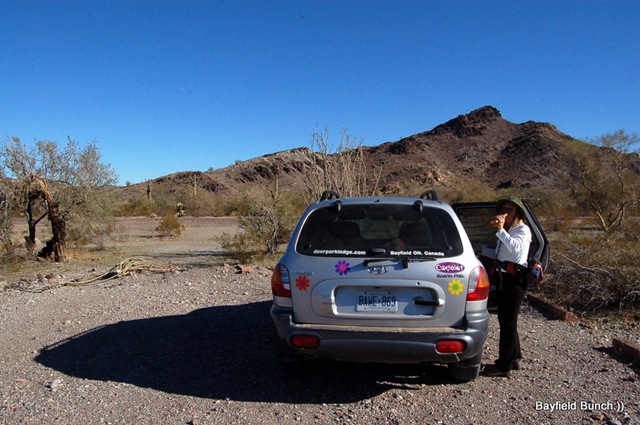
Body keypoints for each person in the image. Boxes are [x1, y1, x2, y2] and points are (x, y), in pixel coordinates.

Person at [483, 197, 532, 378]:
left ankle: (504, 365)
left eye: (509, 209)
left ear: (517, 213)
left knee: (508, 323)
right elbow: (501, 254)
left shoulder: (522, 230)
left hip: (514, 280)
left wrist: (500, 230)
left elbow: (514, 249)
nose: (505, 212)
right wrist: (481, 250)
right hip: (503, 277)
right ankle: (515, 357)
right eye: (504, 209)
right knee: (506, 320)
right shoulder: (510, 230)